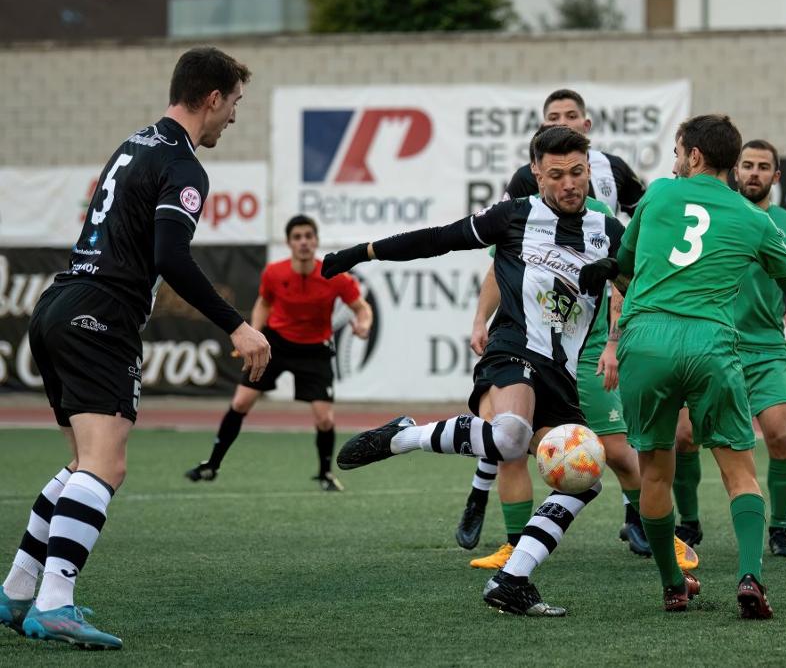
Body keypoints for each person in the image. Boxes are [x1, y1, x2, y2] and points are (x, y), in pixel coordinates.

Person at [0, 47, 270, 649]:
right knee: (106, 466)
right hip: (101, 315)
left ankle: (19, 592)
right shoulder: (184, 165)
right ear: (211, 98)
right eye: (235, 104)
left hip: (58, 305)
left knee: (80, 466)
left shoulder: (134, 142)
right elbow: (169, 257)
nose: (234, 117)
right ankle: (55, 604)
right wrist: (237, 325)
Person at [323, 126, 625, 617]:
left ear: (589, 169)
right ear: (536, 174)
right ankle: (406, 436)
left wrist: (615, 270)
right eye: (556, 175)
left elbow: (640, 280)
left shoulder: (609, 230)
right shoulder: (515, 216)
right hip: (514, 348)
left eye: (577, 172)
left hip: (562, 373)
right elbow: (438, 239)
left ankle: (512, 581)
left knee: (585, 477)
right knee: (509, 439)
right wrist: (364, 252)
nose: (569, 183)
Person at [581, 114, 786, 617]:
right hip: (712, 343)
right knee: (739, 471)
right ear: (733, 162)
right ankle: (750, 578)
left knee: (655, 474)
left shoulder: (661, 194)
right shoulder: (756, 220)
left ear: (692, 156)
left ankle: (673, 584)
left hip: (646, 342)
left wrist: (619, 277)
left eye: (677, 151)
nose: (674, 160)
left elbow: (621, 266)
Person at [458, 100, 658, 567]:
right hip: (539, 335)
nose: (568, 181)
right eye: (553, 118)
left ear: (587, 130)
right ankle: (509, 538)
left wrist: (613, 340)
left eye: (570, 117)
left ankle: (644, 524)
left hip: (591, 338)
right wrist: (479, 320)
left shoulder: (614, 188)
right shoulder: (525, 189)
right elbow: (500, 265)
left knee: (613, 449)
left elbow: (631, 263)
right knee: (511, 438)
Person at [669, 139, 786, 558]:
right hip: (713, 344)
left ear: (775, 176)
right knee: (685, 436)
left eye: (763, 167)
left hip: (765, 347)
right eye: (746, 165)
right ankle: (690, 522)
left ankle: (780, 529)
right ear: (734, 169)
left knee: (780, 435)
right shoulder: (715, 215)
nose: (753, 173)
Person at [185, 215, 373, 491]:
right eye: (297, 237)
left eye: (309, 236)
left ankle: (325, 474)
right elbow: (263, 303)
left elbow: (362, 308)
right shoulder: (274, 273)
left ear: (316, 241)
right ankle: (212, 465)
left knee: (324, 419)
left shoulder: (334, 275)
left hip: (315, 350)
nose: (304, 242)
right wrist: (254, 334)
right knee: (240, 403)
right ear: (289, 243)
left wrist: (364, 326)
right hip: (277, 344)